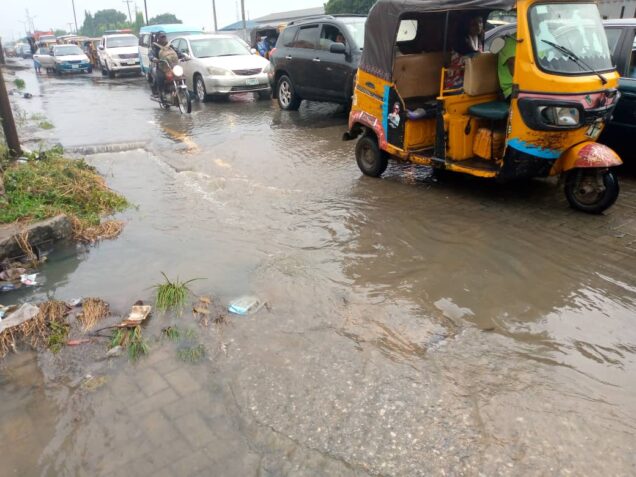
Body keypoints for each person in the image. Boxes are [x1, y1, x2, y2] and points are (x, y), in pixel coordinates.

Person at [497, 35, 516, 100]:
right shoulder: (513, 40)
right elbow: (515, 71)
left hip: (524, 87)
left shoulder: (531, 39)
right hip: (512, 89)